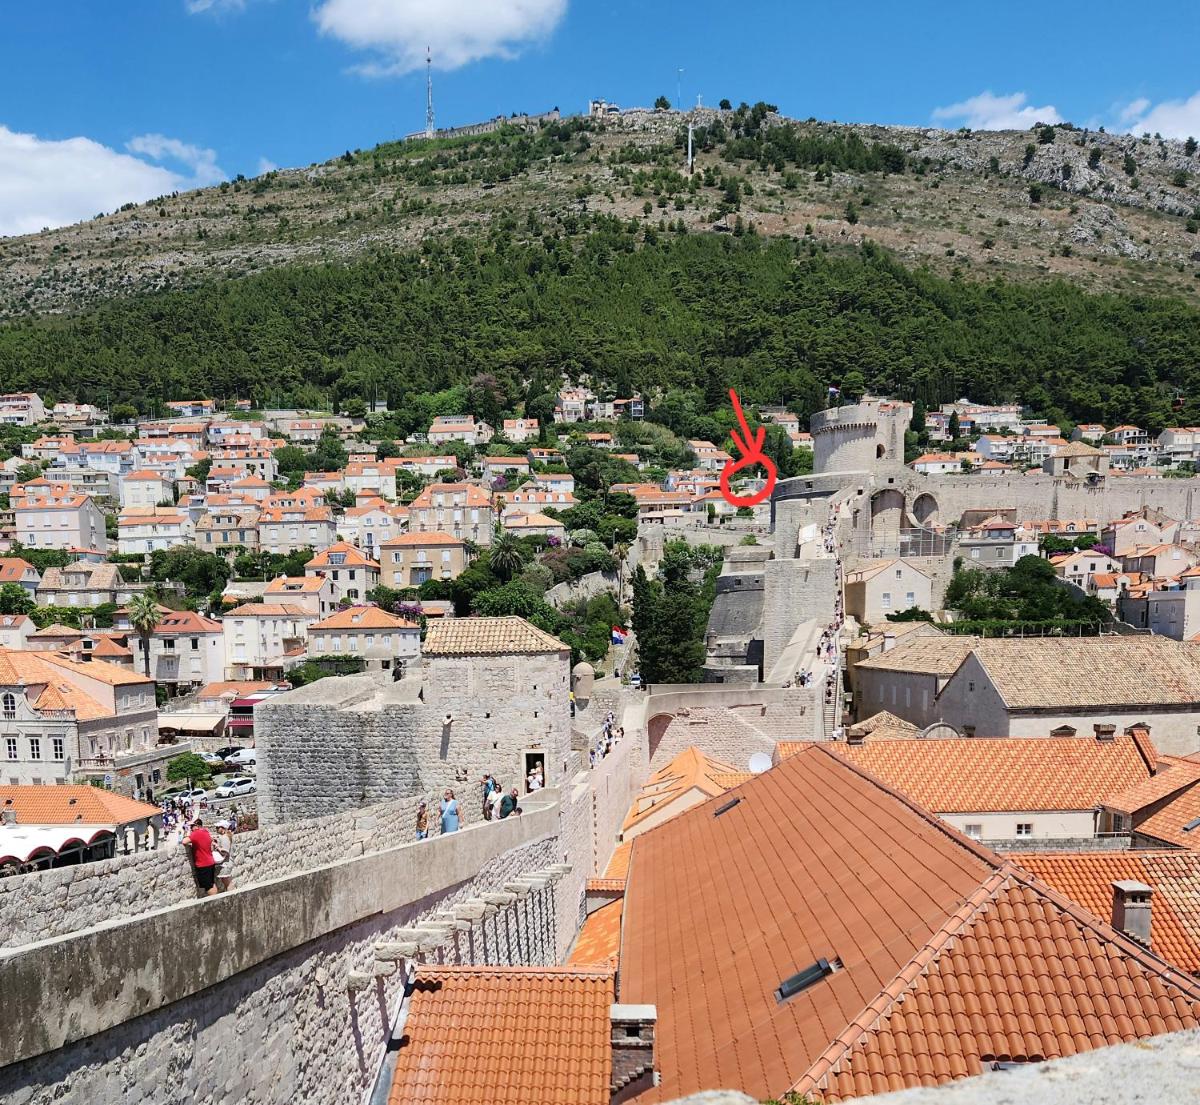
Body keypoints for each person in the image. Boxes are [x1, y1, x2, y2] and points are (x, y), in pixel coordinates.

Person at [183, 818, 218, 897]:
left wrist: (189, 834)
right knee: (211, 883)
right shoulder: (206, 832)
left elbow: (184, 841)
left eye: (192, 826)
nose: (191, 828)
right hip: (210, 862)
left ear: (197, 826)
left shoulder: (196, 833)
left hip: (203, 864)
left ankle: (216, 902)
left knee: (208, 886)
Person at [214, 821, 235, 893]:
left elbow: (225, 852)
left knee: (227, 882)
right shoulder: (225, 836)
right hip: (226, 863)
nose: (216, 829)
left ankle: (231, 896)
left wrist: (217, 846)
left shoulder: (225, 837)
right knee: (227, 881)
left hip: (226, 863)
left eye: (218, 827)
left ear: (223, 828)